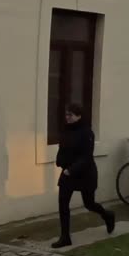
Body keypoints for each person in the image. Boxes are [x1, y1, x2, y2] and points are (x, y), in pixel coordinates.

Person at [51, 103, 116, 248]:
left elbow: (86, 156)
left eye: (71, 115)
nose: (67, 117)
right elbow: (62, 148)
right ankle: (65, 236)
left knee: (89, 204)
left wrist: (72, 170)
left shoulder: (87, 132)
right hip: (67, 173)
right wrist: (60, 162)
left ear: (78, 116)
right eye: (66, 114)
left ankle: (107, 215)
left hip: (85, 173)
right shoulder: (66, 130)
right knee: (63, 204)